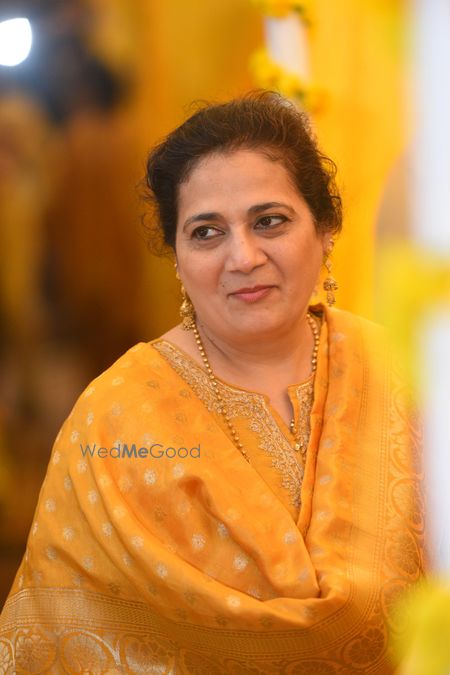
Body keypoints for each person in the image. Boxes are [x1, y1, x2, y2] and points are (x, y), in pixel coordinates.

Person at [0, 91, 424, 674]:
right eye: (206, 232)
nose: (243, 257)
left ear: (325, 229)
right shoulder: (115, 418)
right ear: (176, 257)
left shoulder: (403, 372)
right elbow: (65, 637)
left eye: (269, 221)